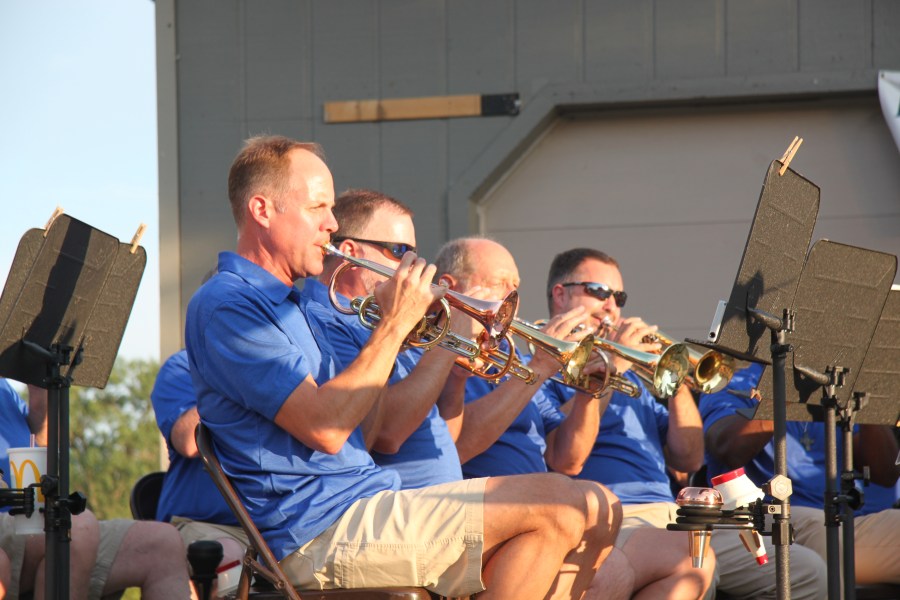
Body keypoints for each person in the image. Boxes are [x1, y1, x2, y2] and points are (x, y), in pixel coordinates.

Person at [184, 135, 621, 598]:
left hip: (366, 503)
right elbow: (327, 430)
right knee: (569, 503)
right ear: (262, 210)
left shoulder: (299, 305)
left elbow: (366, 432)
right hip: (317, 530)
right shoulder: (229, 305)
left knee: (596, 510)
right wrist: (394, 325)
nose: (331, 223)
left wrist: (400, 334)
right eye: (317, 207)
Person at [435, 238, 714, 600]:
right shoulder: (516, 362)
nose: (511, 297)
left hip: (569, 512)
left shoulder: (514, 362)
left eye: (515, 286)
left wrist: (605, 387)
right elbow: (457, 445)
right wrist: (551, 368)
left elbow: (569, 458)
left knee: (680, 558)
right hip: (515, 513)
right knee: (644, 551)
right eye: (500, 283)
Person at [543, 247, 827, 599]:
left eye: (619, 297)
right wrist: (612, 368)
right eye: (599, 291)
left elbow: (689, 458)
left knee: (806, 572)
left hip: (678, 514)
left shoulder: (633, 381)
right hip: (612, 515)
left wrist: (673, 375)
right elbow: (564, 452)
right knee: (692, 568)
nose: (611, 305)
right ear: (560, 294)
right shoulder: (544, 365)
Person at [301, 188, 463, 489]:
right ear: (350, 253)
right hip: (398, 499)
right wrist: (443, 349)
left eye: (414, 255)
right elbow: (387, 434)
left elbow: (439, 434)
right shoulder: (326, 318)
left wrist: (456, 378)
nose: (411, 268)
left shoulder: (386, 318)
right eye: (400, 251)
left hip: (439, 494)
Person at [700, 362, 900, 586]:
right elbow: (728, 447)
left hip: (846, 521)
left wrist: (863, 398)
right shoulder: (733, 381)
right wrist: (787, 391)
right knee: (823, 531)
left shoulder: (831, 382)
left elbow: (886, 474)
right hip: (772, 521)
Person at [0, 377, 194, 599]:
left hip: (33, 519)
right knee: (74, 527)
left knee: (163, 544)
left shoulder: (4, 388)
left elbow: (42, 449)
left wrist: (40, 392)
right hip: (12, 522)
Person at [151, 349, 249, 575]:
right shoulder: (183, 366)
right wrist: (244, 377)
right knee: (227, 556)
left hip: (277, 529)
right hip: (205, 526)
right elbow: (188, 441)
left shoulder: (293, 365)